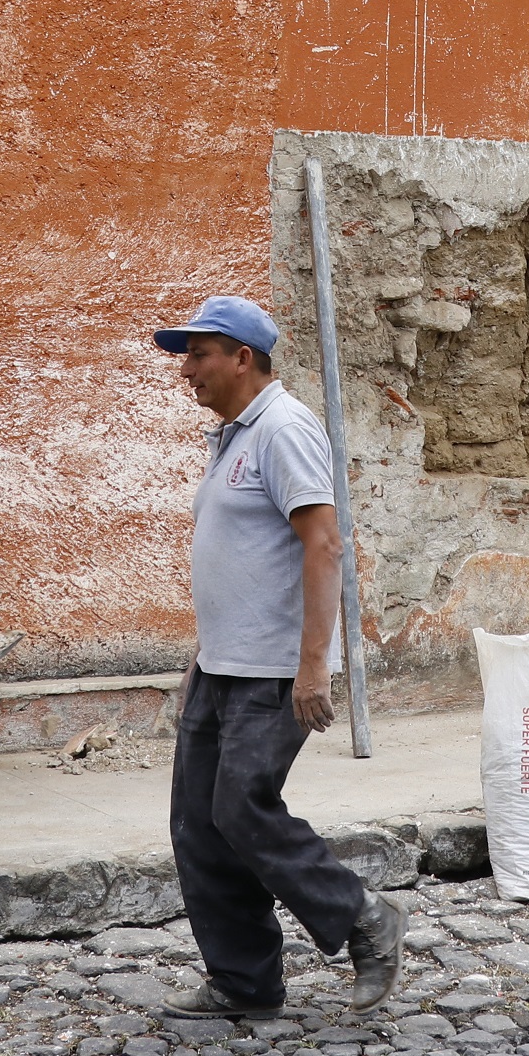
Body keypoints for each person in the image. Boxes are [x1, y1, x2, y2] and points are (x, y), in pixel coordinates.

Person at [151, 293, 405, 1017]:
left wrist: (314, 666)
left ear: (242, 357)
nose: (187, 371)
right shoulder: (234, 435)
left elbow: (324, 545)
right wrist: (205, 655)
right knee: (200, 826)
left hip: (271, 670)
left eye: (198, 355)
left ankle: (363, 916)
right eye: (185, 357)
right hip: (221, 666)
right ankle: (244, 982)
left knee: (242, 810)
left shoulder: (284, 428)